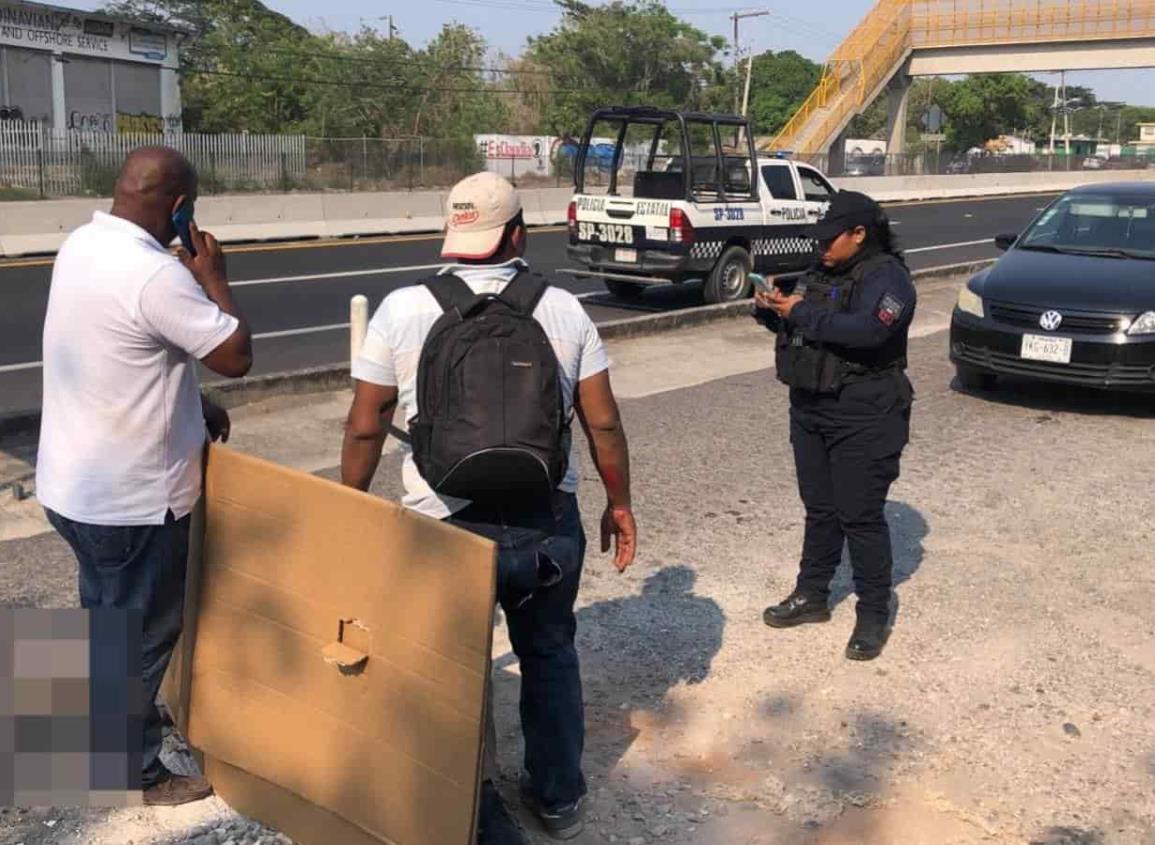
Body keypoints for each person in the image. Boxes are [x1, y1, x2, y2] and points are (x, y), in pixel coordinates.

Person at [341, 171, 636, 843]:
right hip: (545, 522)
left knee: (450, 669)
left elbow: (364, 424)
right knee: (550, 652)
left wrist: (347, 509)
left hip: (442, 522)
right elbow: (604, 423)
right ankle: (558, 796)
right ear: (518, 235)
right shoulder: (563, 309)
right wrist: (618, 501)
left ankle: (469, 806)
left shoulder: (402, 308)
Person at [36, 147, 253, 804]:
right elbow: (235, 356)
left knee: (98, 620)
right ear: (181, 208)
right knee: (141, 635)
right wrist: (214, 276)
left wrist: (192, 403)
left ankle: (72, 737)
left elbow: (119, 351)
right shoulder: (158, 276)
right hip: (135, 501)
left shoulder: (83, 242)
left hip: (69, 486)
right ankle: (133, 774)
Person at [756, 190, 916, 662]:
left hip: (865, 409)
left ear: (860, 234)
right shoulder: (820, 270)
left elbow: (869, 331)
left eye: (831, 239)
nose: (822, 248)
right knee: (819, 508)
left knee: (859, 515)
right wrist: (773, 312)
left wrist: (801, 312)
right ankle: (812, 594)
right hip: (811, 406)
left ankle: (872, 612)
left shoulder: (888, 278)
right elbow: (808, 326)